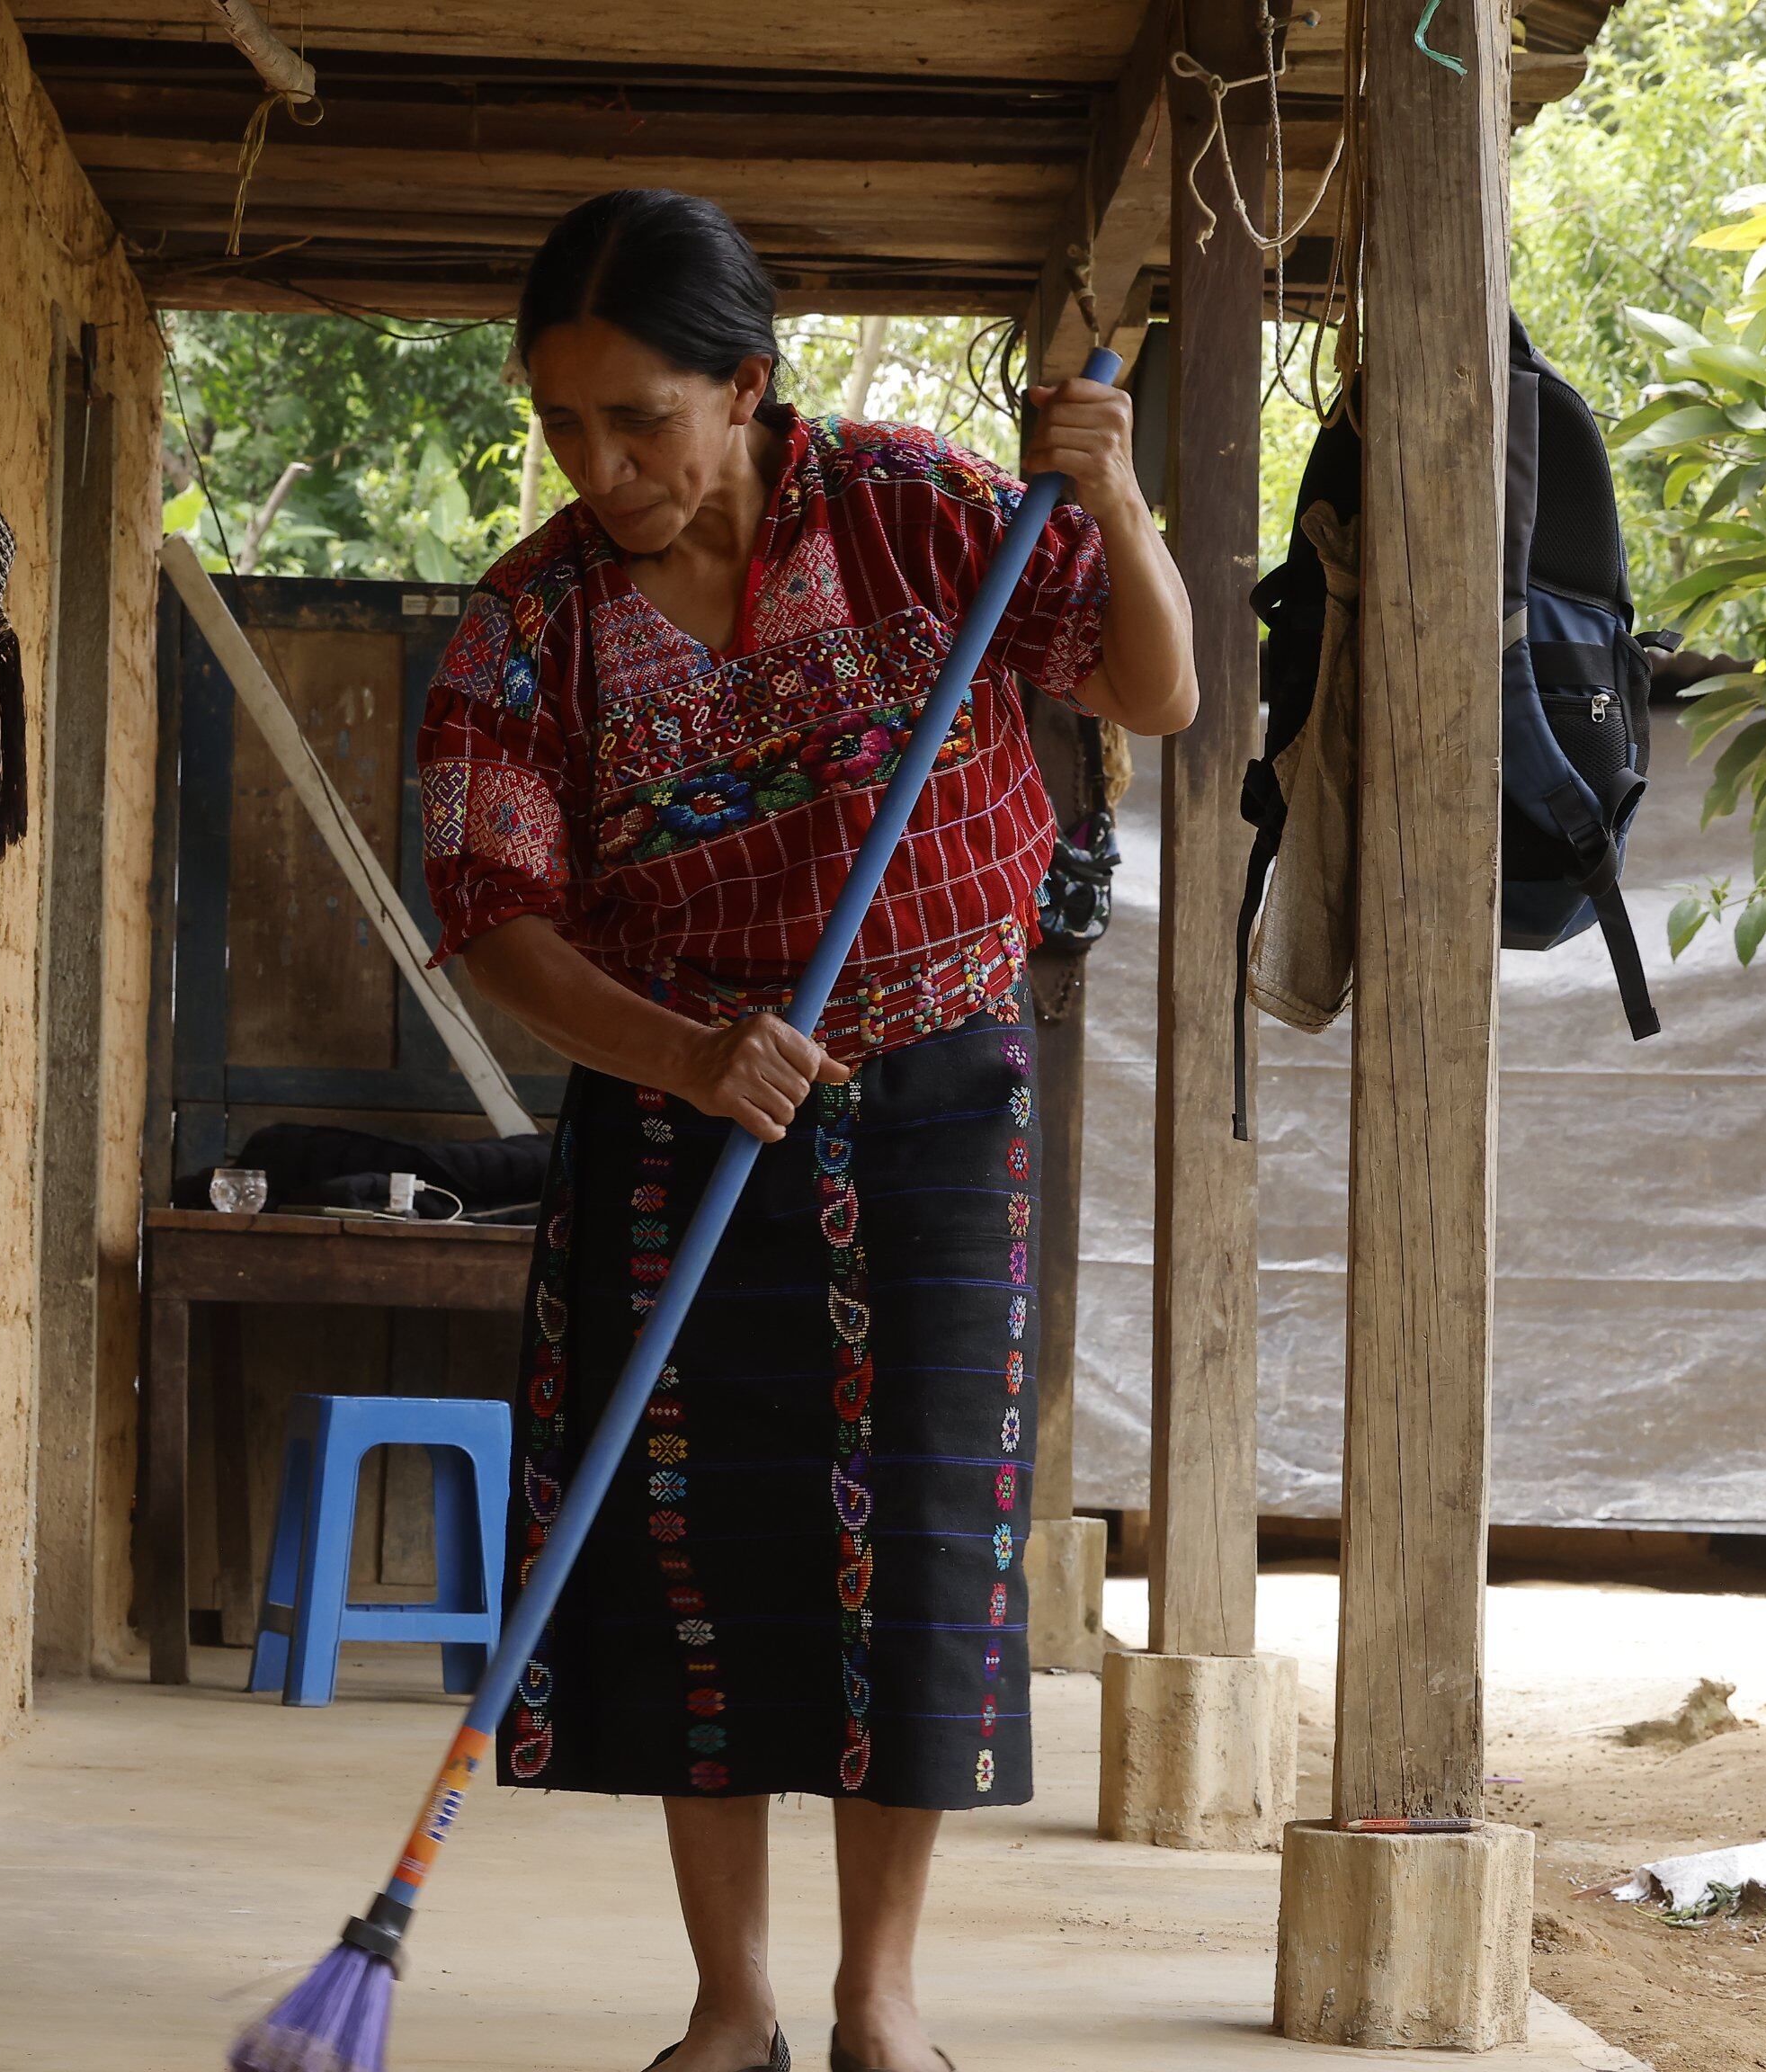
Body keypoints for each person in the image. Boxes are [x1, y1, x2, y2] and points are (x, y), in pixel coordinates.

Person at [421, 189, 1199, 2072]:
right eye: (564, 428)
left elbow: (1149, 689)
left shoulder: (921, 511)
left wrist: (1111, 499)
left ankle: (877, 2000)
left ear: (748, 387)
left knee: (911, 1553)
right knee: (697, 1547)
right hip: (681, 1125)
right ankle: (729, 2005)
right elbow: (488, 912)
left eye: (641, 423)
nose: (601, 468)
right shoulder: (530, 624)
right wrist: (682, 1056)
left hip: (933, 1104)